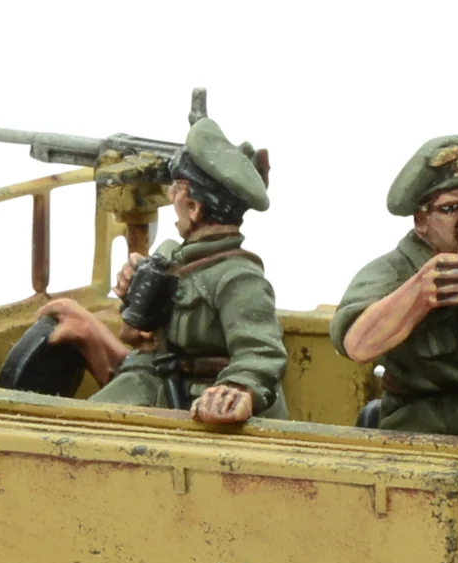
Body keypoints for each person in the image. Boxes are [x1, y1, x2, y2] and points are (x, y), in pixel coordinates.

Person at [40, 116, 288, 425]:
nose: (170, 196)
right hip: (160, 380)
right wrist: (135, 294)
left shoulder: (239, 278)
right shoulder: (172, 257)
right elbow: (133, 335)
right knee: (78, 423)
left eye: (177, 189)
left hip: (204, 398)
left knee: (89, 429)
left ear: (194, 208)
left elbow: (262, 353)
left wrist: (237, 389)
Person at [328, 133, 458, 435]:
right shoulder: (396, 270)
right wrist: (418, 294)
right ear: (421, 221)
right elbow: (356, 345)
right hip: (417, 422)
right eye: (451, 208)